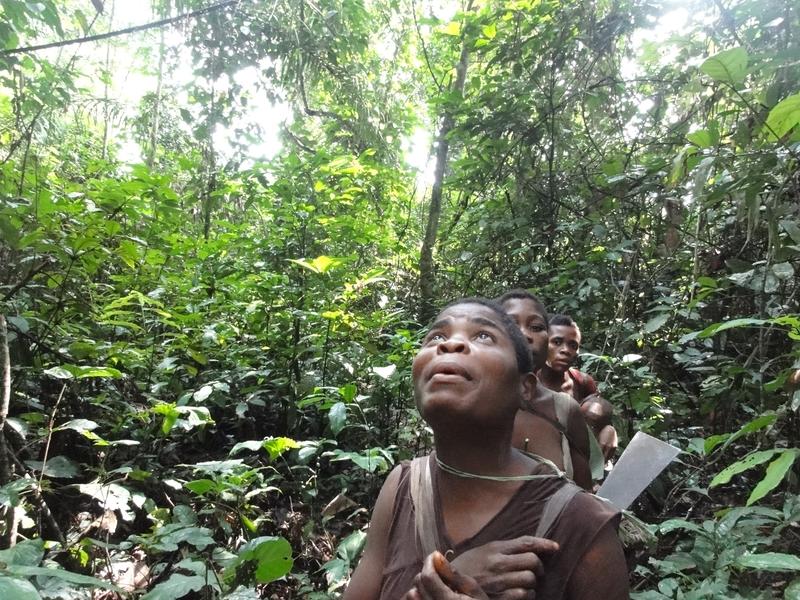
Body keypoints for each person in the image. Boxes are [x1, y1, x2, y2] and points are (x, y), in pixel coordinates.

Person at [345, 299, 628, 599]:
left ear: (525, 388)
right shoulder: (402, 486)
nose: (450, 344)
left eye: (483, 336)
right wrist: (453, 575)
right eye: (436, 337)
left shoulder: (581, 524)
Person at [497, 291, 593, 490]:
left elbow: (584, 496)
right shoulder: (467, 404)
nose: (524, 334)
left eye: (536, 327)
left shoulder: (566, 410)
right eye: (510, 324)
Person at [538, 314, 618, 465]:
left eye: (573, 345)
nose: (565, 350)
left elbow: (599, 416)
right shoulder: (526, 380)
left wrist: (609, 430)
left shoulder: (582, 382)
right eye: (557, 342)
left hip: (576, 464)